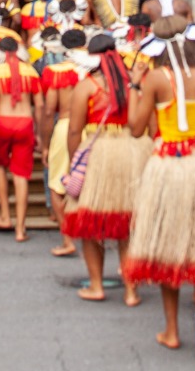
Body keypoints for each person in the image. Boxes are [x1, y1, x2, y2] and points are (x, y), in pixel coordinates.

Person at [125, 17, 195, 361]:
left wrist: (136, 88)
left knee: (170, 247)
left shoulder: (155, 79)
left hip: (168, 166)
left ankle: (172, 331)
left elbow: (136, 129)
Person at [63, 33, 148, 305]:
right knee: (126, 223)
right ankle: (131, 290)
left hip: (98, 153)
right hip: (131, 152)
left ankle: (96, 285)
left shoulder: (87, 87)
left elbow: (74, 130)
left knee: (91, 221)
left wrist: (74, 161)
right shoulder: (133, 84)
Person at [0, 37, 45, 242]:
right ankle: (20, 229)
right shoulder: (31, 71)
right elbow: (40, 106)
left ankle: (5, 216)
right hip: (25, 123)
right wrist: (38, 132)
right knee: (21, 175)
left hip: (2, 122)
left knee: (0, 165)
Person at [43, 27, 90, 258]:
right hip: (91, 129)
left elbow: (49, 108)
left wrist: (43, 142)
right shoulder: (93, 70)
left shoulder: (55, 71)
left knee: (56, 184)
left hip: (65, 126)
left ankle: (67, 238)